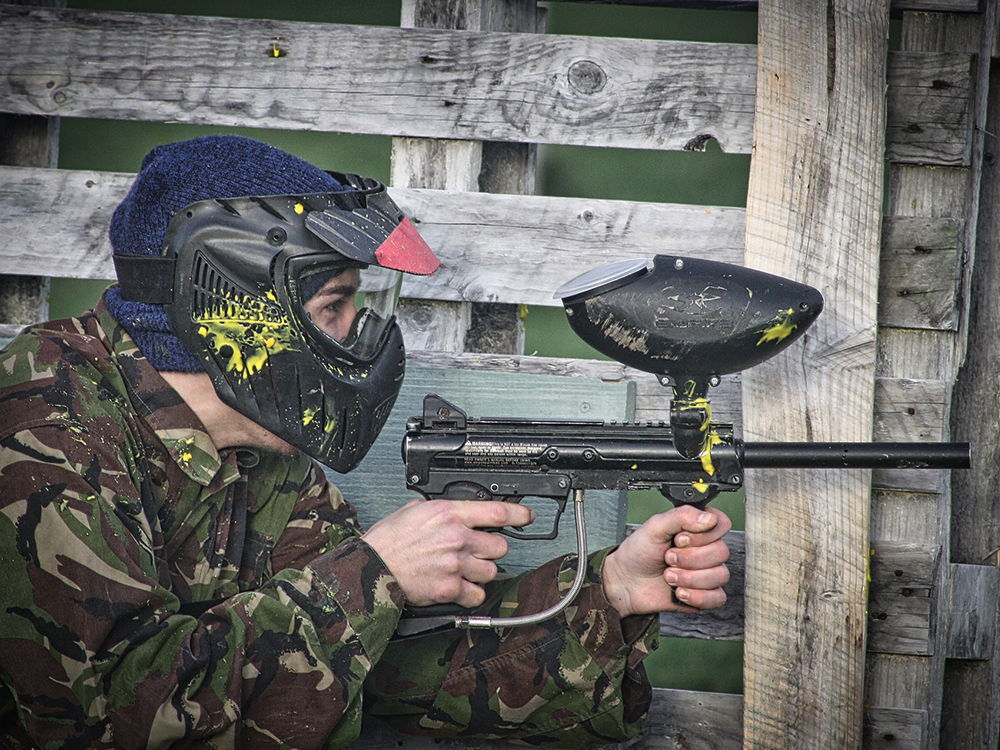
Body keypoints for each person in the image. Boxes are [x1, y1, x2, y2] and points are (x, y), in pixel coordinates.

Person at [0, 135, 731, 749]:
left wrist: (608, 597)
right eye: (334, 305)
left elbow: (376, 667)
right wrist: (371, 572)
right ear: (231, 305)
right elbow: (98, 719)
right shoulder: (47, 432)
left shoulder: (261, 448)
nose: (359, 337)